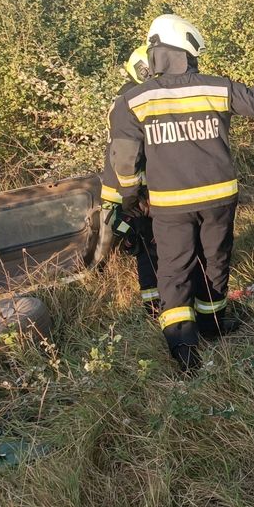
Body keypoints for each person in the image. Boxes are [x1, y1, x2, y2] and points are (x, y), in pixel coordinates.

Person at [110, 13, 254, 370]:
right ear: (188, 50)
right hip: (218, 199)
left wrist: (132, 198)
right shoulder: (215, 86)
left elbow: (124, 160)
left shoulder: (133, 100)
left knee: (174, 272)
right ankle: (214, 327)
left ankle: (184, 353)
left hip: (169, 206)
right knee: (215, 262)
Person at [99, 45, 160, 316]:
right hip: (128, 193)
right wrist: (139, 197)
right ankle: (154, 305)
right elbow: (133, 157)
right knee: (148, 247)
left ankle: (155, 299)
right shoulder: (132, 101)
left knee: (141, 243)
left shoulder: (125, 97)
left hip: (121, 191)